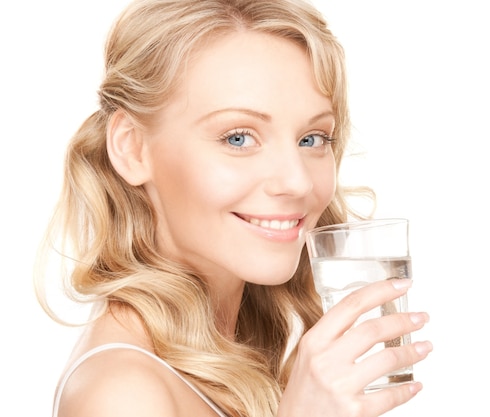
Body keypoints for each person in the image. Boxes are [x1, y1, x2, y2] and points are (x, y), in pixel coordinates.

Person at [35, 1, 432, 416]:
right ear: (132, 148)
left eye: (313, 138)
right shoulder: (124, 395)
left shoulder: (237, 359)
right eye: (238, 138)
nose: (297, 181)